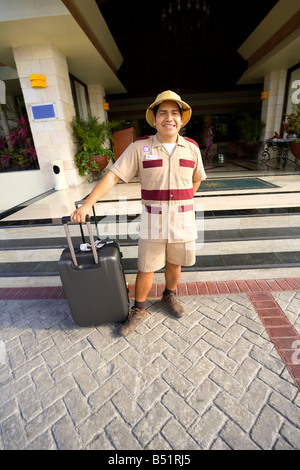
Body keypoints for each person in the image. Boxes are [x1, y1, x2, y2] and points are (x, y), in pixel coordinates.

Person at [71, 90, 207, 335]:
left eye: (174, 113)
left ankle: (169, 296)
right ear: (154, 119)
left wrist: (181, 202)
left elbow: (197, 181)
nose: (169, 118)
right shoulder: (140, 148)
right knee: (146, 267)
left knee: (175, 263)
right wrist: (88, 203)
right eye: (163, 113)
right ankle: (140, 308)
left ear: (181, 119)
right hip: (152, 221)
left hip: (183, 220)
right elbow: (113, 176)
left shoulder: (192, 148)